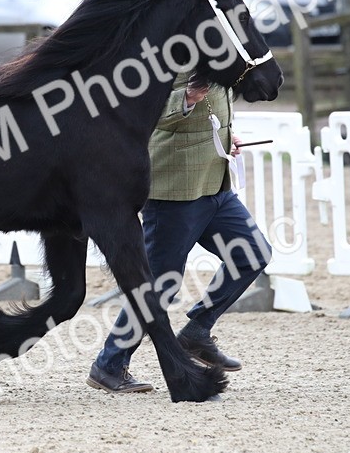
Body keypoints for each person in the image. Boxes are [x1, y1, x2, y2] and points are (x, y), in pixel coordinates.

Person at [86, 77, 272, 393]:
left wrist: (227, 139)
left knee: (252, 253)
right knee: (160, 284)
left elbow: (212, 113)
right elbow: (136, 110)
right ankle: (109, 364)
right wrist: (183, 99)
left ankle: (197, 331)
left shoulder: (220, 50)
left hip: (215, 182)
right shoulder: (165, 50)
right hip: (174, 190)